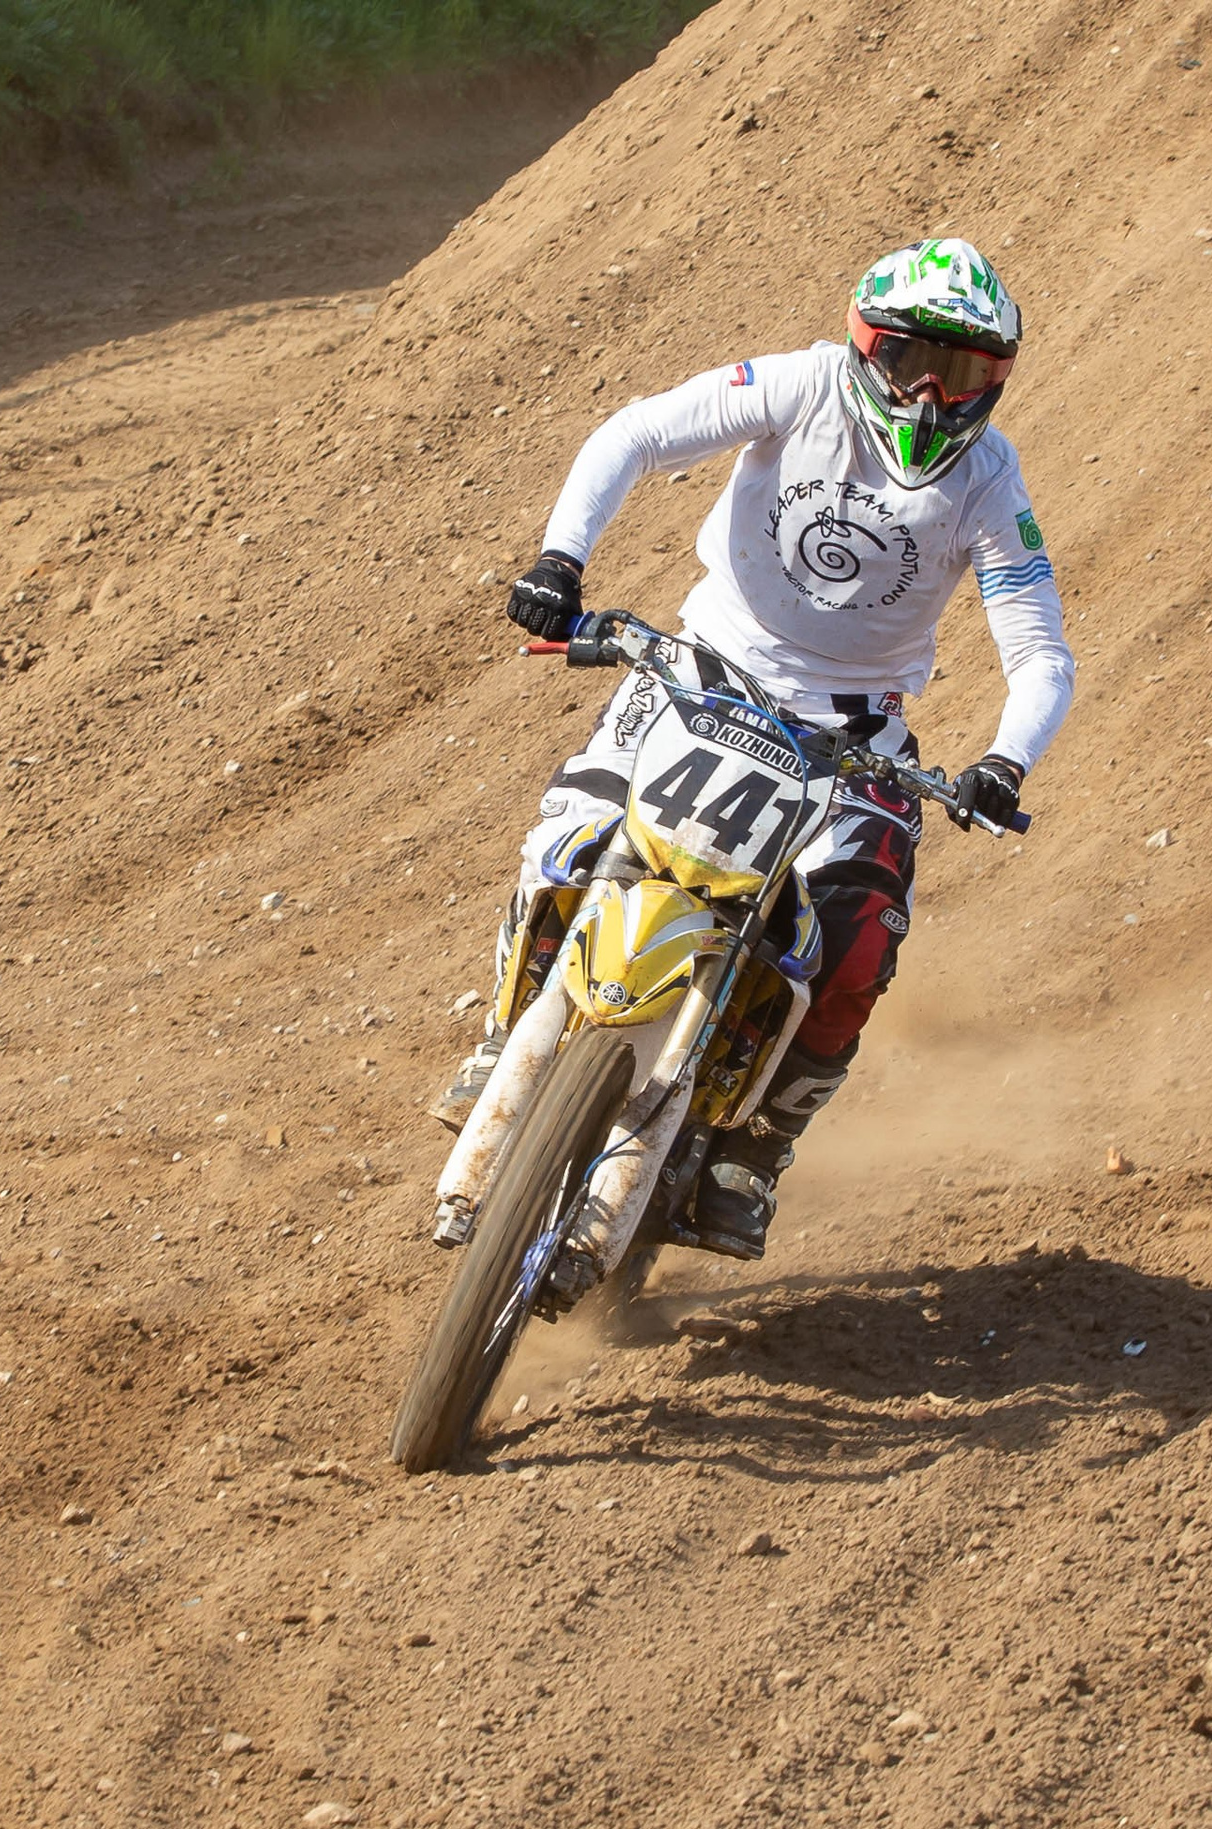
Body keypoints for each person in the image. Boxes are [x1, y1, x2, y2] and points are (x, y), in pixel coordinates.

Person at [438, 237, 1075, 1261]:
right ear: (867, 344)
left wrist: (1004, 761)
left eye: (956, 374)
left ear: (993, 381)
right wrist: (562, 558)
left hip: (853, 738)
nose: (927, 394)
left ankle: (758, 1149)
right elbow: (638, 433)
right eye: (912, 359)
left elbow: (1038, 651)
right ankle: (502, 1033)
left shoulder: (989, 488)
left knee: (858, 935)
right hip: (701, 670)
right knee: (567, 834)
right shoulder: (797, 386)